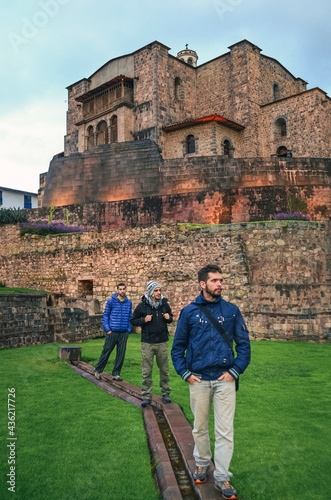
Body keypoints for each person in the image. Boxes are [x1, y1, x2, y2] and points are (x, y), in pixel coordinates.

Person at [171, 265, 251, 499]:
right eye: (215, 280)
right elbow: (177, 348)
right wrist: (185, 373)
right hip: (199, 379)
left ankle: (223, 477)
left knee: (225, 431)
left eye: (221, 280)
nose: (220, 284)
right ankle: (202, 462)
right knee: (199, 428)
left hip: (224, 379)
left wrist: (235, 371)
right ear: (202, 284)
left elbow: (244, 346)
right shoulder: (189, 312)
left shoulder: (232, 311)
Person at [130, 280, 173, 407]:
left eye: (160, 290)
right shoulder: (142, 306)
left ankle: (165, 393)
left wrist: (168, 318)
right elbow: (133, 320)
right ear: (150, 292)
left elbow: (171, 317)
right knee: (147, 371)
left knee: (164, 370)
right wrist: (144, 320)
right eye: (156, 290)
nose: (159, 292)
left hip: (162, 342)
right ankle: (146, 397)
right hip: (147, 343)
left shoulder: (164, 304)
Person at [94, 283, 132, 381]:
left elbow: (129, 317)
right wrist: (108, 329)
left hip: (123, 332)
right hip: (112, 332)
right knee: (106, 351)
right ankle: (98, 370)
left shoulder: (129, 303)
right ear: (117, 290)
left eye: (124, 289)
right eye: (120, 289)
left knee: (121, 353)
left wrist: (128, 329)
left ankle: (116, 374)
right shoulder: (111, 301)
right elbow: (105, 316)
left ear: (125, 290)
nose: (122, 291)